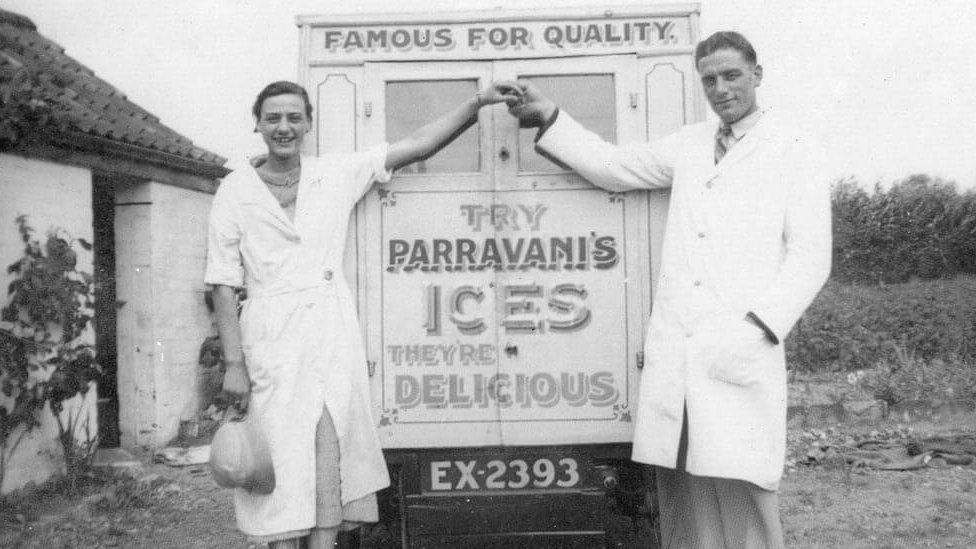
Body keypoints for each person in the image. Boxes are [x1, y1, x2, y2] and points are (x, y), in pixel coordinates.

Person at [508, 32, 831, 548]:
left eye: (732, 75)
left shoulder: (795, 150)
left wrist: (758, 330)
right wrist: (550, 114)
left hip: (741, 343)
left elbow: (811, 257)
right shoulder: (691, 144)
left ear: (757, 75)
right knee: (686, 483)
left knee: (749, 479)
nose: (721, 88)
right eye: (710, 79)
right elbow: (615, 168)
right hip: (681, 344)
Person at [205, 80, 520, 549]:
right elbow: (223, 283)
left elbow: (415, 146)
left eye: (294, 117)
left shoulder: (334, 173)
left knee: (329, 447)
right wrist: (234, 365)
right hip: (269, 339)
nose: (284, 127)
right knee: (276, 458)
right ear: (257, 124)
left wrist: (475, 104)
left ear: (309, 123)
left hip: (330, 334)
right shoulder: (234, 190)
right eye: (273, 117)